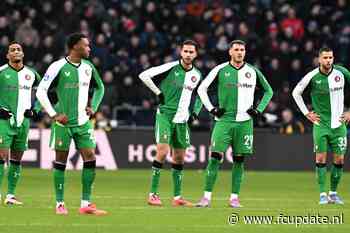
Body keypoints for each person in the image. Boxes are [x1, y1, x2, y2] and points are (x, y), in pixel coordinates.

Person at [196, 40, 273, 208]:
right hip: (224, 121)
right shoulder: (220, 69)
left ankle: (234, 198)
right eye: (236, 49)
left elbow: (269, 91)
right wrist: (211, 109)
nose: (240, 52)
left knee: (239, 160)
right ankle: (206, 197)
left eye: (242, 50)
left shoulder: (253, 71)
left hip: (245, 123)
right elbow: (201, 88)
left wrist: (259, 109)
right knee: (215, 157)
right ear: (230, 52)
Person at [36, 33, 106, 215]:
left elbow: (100, 87)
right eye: (86, 45)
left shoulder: (89, 67)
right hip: (63, 125)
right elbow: (41, 91)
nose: (89, 49)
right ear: (75, 46)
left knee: (90, 157)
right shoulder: (57, 66)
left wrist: (94, 107)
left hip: (83, 123)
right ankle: (60, 203)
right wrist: (54, 114)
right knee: (61, 162)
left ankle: (85, 203)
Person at [139, 40, 202, 207]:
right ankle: (152, 194)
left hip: (182, 120)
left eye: (191, 52)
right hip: (165, 115)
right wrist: (158, 92)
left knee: (179, 158)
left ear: (196, 55)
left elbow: (201, 94)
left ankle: (177, 197)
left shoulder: (197, 75)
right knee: (163, 151)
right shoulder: (171, 67)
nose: (188, 54)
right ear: (181, 52)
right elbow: (144, 75)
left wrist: (195, 111)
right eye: (186, 51)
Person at [292, 47, 350, 205]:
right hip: (321, 124)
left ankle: (333, 192)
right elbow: (295, 93)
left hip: (339, 125)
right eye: (325, 58)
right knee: (321, 158)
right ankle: (322, 194)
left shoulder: (342, 73)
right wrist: (306, 113)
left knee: (339, 160)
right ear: (319, 59)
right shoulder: (312, 76)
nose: (328, 61)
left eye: (330, 57)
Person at [0, 42, 41, 205]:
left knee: (16, 160)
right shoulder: (2, 72)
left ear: (23, 54)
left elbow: (43, 93)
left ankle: (10, 195)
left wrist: (35, 110)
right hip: (4, 122)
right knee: (1, 157)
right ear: (7, 56)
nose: (16, 52)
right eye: (12, 50)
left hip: (23, 123)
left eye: (19, 50)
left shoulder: (32, 74)